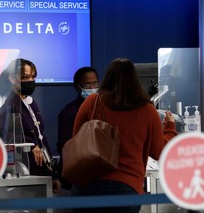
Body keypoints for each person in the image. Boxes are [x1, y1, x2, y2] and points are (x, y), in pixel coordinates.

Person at [70, 58, 178, 213]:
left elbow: (76, 139)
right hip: (126, 189)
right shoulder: (148, 110)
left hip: (87, 187)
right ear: (135, 80)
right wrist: (169, 128)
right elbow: (158, 151)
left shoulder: (92, 102)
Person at [0, 58, 60, 194]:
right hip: (25, 170)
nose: (31, 81)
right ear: (12, 79)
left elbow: (41, 136)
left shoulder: (30, 102)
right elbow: (5, 136)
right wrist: (30, 143)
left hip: (41, 167)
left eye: (33, 77)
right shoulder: (10, 105)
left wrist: (53, 174)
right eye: (26, 77)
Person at [57, 67, 99, 191]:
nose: (92, 88)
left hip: (101, 175)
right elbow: (64, 146)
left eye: (95, 83)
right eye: (87, 84)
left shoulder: (104, 108)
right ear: (78, 87)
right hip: (78, 177)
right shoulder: (69, 112)